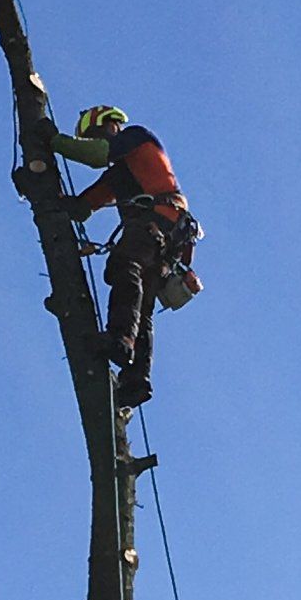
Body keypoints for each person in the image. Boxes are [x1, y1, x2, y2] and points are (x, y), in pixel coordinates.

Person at [56, 104, 196, 408]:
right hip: (164, 234)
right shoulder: (120, 173)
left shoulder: (136, 138)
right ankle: (135, 380)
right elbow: (84, 206)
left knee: (124, 264)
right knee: (142, 305)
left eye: (96, 134)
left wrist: (52, 140)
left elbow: (95, 156)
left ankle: (121, 340)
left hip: (159, 222)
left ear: (112, 126)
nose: (96, 141)